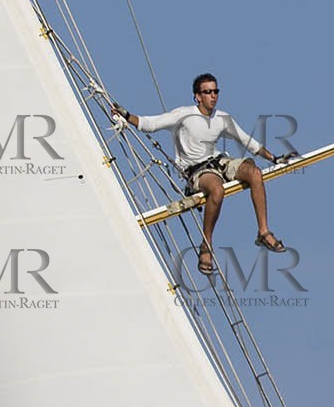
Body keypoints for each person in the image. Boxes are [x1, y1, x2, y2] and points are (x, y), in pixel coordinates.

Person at [111, 73, 291, 276]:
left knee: (255, 173)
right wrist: (125, 115)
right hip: (197, 170)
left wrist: (274, 158)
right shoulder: (184, 115)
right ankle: (206, 245)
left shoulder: (222, 118)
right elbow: (150, 124)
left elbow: (247, 141)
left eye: (216, 91)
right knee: (217, 190)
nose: (213, 96)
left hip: (219, 162)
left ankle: (263, 231)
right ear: (197, 96)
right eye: (208, 92)